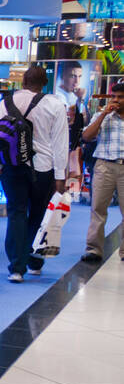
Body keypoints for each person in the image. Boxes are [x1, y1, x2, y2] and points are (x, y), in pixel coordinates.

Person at [0, 64, 68, 281]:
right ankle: (35, 262)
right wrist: (60, 177)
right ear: (44, 84)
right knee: (38, 215)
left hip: (13, 166)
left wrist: (0, 165)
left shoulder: (7, 102)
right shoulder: (55, 105)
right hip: (43, 168)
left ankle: (16, 268)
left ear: (23, 82)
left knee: (16, 213)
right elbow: (60, 143)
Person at [81, 80, 124, 263]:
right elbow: (86, 136)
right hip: (104, 165)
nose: (116, 100)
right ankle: (93, 249)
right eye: (114, 96)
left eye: (120, 97)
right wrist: (102, 116)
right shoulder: (102, 115)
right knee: (98, 209)